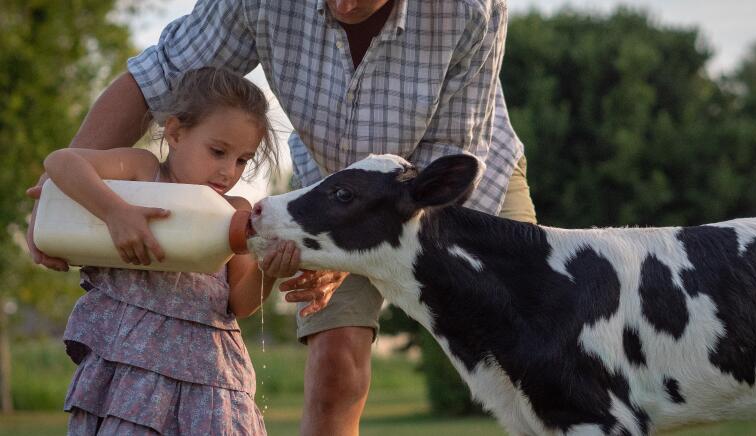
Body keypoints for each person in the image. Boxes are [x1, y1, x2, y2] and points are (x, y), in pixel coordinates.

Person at [26, 1, 538, 434]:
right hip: (329, 193)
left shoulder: (470, 8)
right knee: (336, 365)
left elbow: (451, 154)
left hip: (454, 179)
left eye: (242, 161)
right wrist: (58, 209)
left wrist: (357, 243)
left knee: (536, 352)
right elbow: (154, 78)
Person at [41, 67, 301, 435]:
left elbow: (240, 304)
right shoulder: (143, 173)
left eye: (242, 159)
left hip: (208, 377)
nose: (229, 171)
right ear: (176, 133)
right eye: (218, 151)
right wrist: (115, 212)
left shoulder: (235, 210)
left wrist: (269, 270)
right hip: (130, 373)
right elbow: (60, 162)